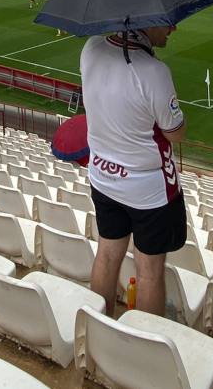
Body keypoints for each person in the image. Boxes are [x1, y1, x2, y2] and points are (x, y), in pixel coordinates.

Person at [83, 26, 187, 316]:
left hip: (103, 176)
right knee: (149, 272)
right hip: (148, 190)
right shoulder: (154, 71)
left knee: (106, 255)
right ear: (146, 21)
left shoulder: (91, 47)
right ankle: (146, 348)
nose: (173, 27)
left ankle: (99, 328)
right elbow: (176, 133)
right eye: (166, 21)